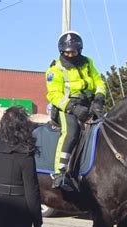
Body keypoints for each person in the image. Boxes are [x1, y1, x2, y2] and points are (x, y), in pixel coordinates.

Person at [45, 30, 106, 191]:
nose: (71, 54)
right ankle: (60, 173)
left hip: (89, 104)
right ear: (62, 51)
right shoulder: (55, 69)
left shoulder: (88, 63)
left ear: (80, 50)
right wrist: (73, 108)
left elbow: (99, 81)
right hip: (66, 109)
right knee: (71, 132)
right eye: (67, 52)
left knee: (107, 127)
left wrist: (99, 98)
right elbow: (54, 94)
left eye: (74, 51)